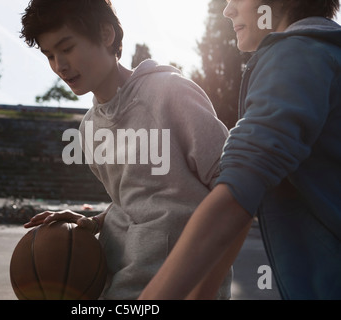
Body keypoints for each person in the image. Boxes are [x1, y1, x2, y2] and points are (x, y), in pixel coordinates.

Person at [20, 0, 232, 299]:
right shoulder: (89, 129)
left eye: (67, 48)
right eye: (49, 55)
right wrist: (94, 221)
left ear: (106, 35)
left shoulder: (169, 93)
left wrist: (206, 288)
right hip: (116, 284)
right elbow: (135, 202)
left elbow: (235, 194)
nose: (59, 65)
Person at [140, 0, 341, 300]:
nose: (227, 10)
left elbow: (237, 192)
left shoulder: (296, 52)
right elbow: (247, 192)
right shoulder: (325, 52)